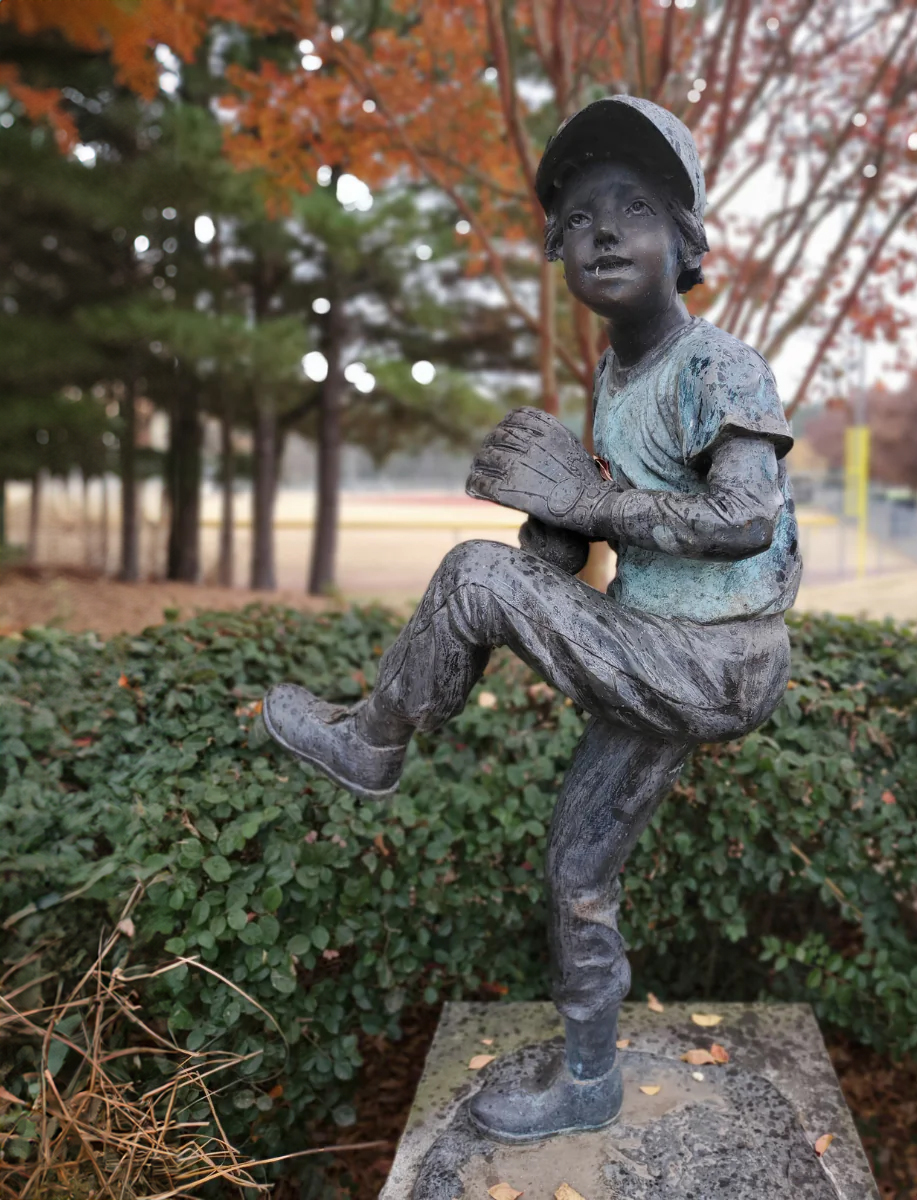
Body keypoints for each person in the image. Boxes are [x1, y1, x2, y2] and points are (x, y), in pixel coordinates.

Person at [262, 95, 802, 1144]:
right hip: (657, 641)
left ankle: (373, 744)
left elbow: (743, 516)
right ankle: (590, 1076)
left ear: (685, 242)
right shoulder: (612, 376)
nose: (603, 232)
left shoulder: (716, 365)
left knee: (474, 578)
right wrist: (553, 529)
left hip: (717, 658)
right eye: (582, 218)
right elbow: (600, 538)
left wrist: (579, 514)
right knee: (576, 865)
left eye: (636, 208)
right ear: (559, 249)